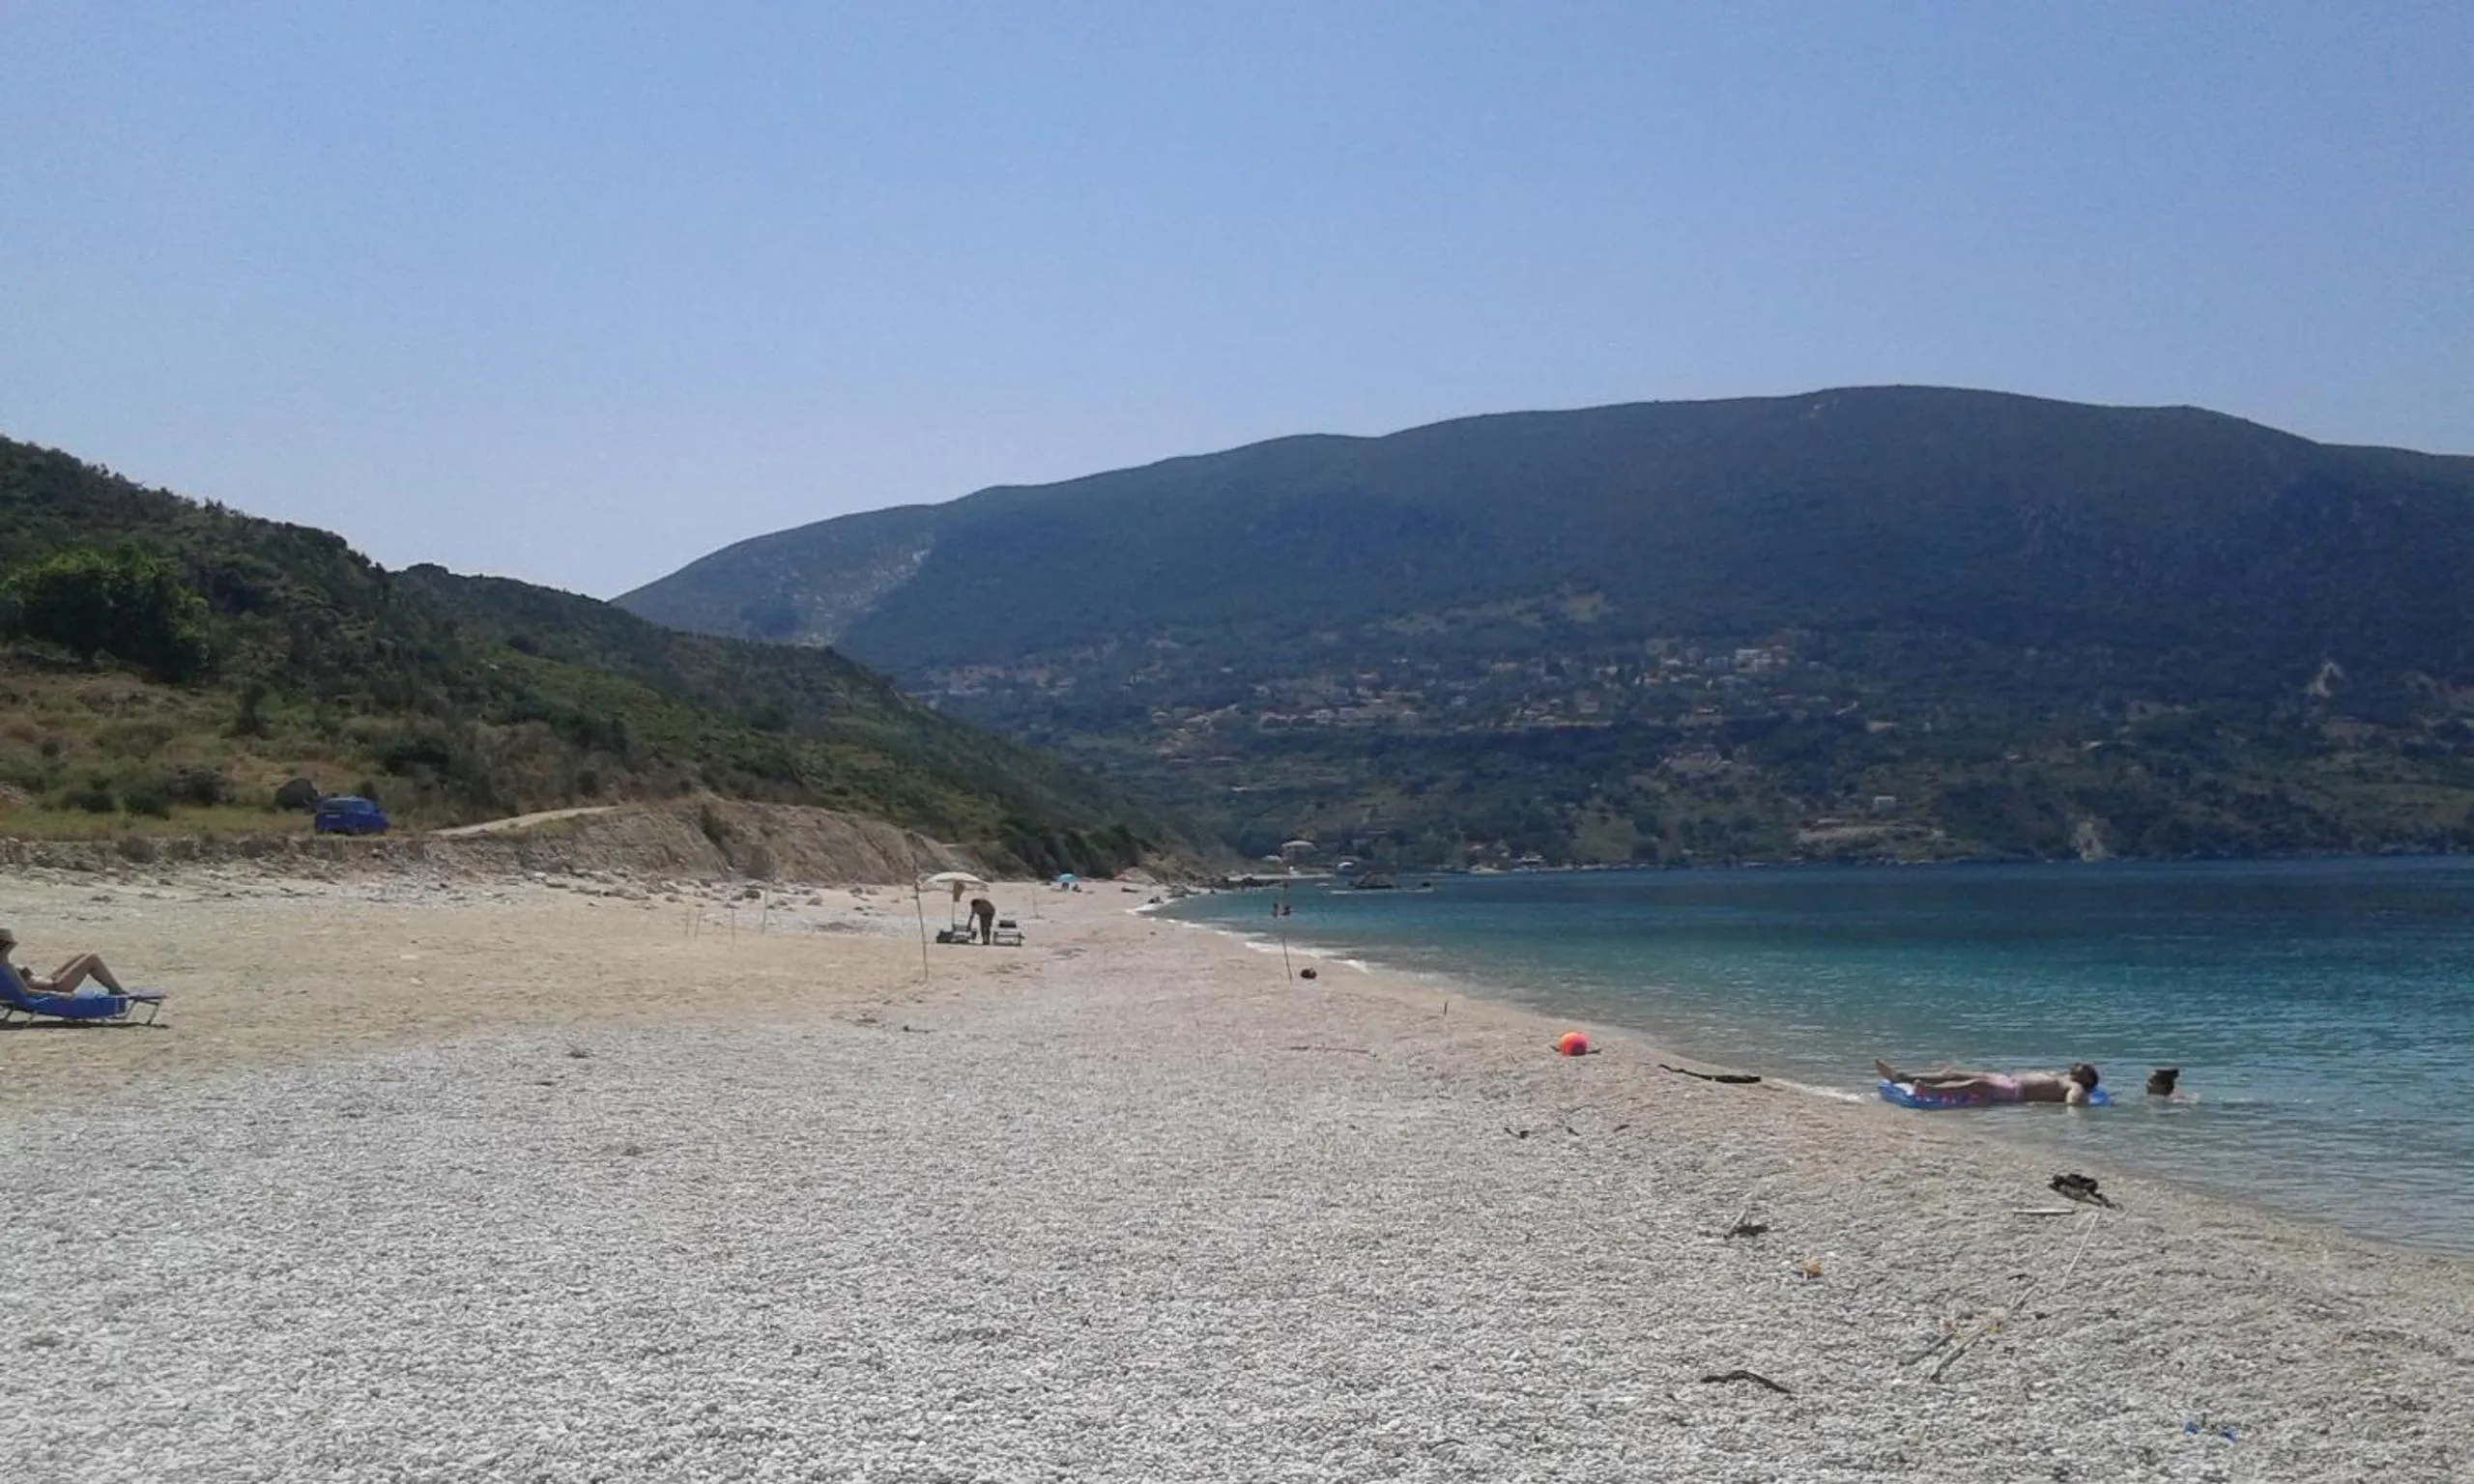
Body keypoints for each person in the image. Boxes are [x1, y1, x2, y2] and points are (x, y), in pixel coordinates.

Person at [1876, 1057, 2101, 1105]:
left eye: (2086, 1069)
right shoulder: (2060, 1075)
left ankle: (1929, 1090)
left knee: (1977, 1086)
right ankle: (1902, 1077)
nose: (2080, 1066)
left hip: (2014, 1092)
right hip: (2007, 1080)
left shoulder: (2076, 1086)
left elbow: (2073, 1105)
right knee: (1955, 1073)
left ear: (2087, 1079)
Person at [0, 928, 126, 996]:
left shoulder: (4, 965)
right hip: (57, 988)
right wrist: (56, 994)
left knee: (83, 955)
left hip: (51, 981)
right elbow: (25, 992)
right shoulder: (5, 967)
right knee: (92, 958)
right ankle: (117, 990)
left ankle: (116, 989)